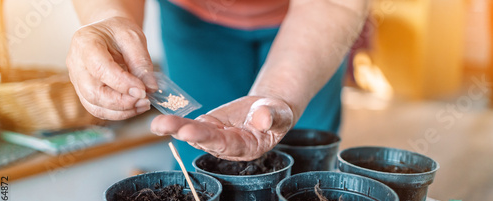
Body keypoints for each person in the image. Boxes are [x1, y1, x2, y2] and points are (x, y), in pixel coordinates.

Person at [67, 0, 368, 169]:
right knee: (201, 154)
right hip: (193, 18)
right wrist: (107, 19)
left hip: (316, 22)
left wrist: (279, 94)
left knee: (305, 162)